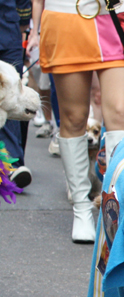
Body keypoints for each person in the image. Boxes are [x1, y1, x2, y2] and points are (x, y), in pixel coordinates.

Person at [27, 0, 124, 243]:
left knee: (120, 112)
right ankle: (81, 207)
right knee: (74, 117)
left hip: (114, 13)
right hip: (66, 15)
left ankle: (116, 206)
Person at [1, 0, 32, 189]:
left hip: (8, 31)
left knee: (12, 96)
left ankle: (12, 165)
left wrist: (23, 23)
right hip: (9, 28)